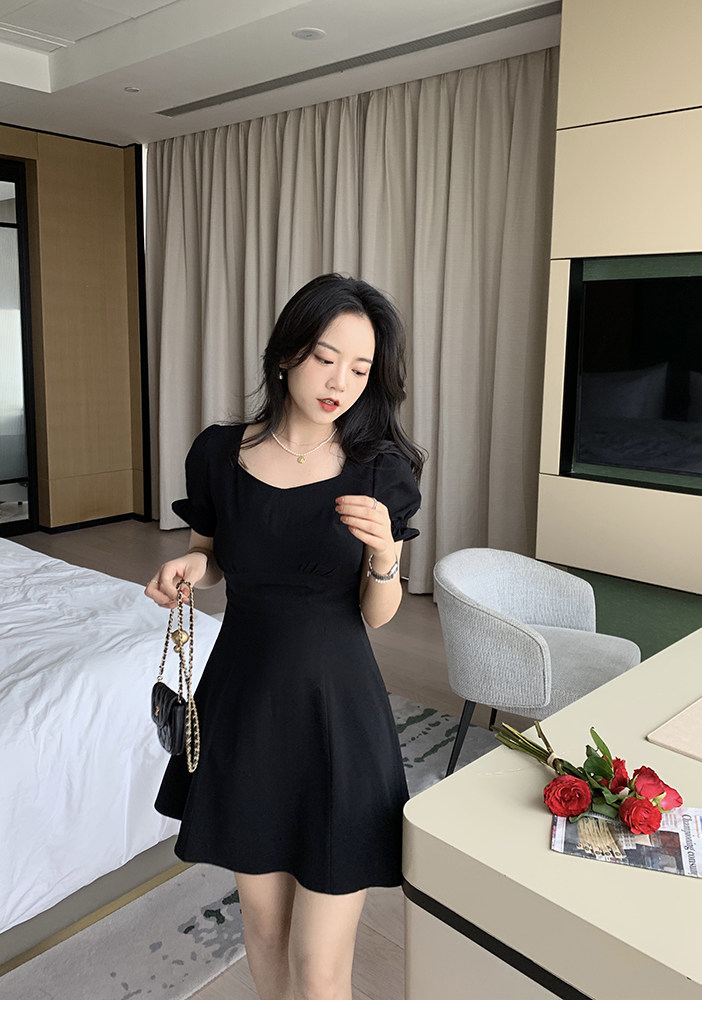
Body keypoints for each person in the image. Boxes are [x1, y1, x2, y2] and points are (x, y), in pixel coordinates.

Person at [145, 273, 424, 1000]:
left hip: (338, 712)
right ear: (285, 354)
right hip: (244, 706)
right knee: (264, 933)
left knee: (320, 968)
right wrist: (188, 567)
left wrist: (386, 556)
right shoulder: (218, 453)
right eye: (326, 359)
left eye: (360, 369)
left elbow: (376, 614)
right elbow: (210, 555)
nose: (341, 383)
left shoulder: (380, 469)